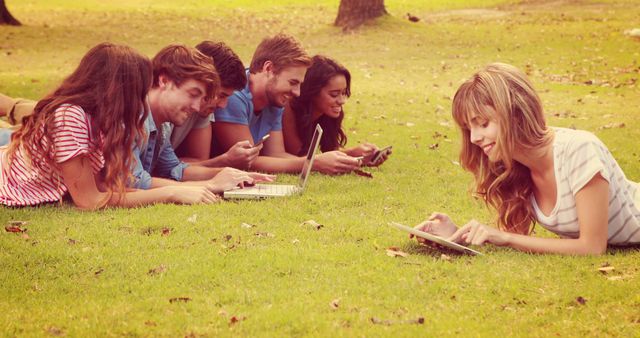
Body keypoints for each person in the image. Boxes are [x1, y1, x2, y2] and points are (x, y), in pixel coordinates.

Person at [413, 63, 640, 255]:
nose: (474, 138)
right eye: (468, 128)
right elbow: (515, 236)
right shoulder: (515, 166)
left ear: (515, 113)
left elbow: (592, 246)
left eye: (483, 124)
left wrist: (503, 238)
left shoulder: (579, 149)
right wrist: (457, 235)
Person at [0, 43, 221, 208]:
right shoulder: (70, 117)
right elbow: (89, 200)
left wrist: (186, 189)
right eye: (140, 90)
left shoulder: (105, 122)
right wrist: (171, 194)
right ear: (120, 89)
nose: (143, 97)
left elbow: (106, 188)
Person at [130, 44, 273, 192]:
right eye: (193, 94)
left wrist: (228, 174)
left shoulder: (163, 125)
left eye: (201, 98)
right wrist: (208, 185)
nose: (197, 107)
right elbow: (133, 180)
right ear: (164, 81)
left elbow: (174, 169)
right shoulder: (132, 114)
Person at [212, 34, 361, 174]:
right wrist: (313, 163)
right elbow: (249, 162)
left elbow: (276, 154)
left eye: (299, 85)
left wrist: (336, 162)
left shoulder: (275, 99)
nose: (297, 93)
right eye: (293, 83)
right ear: (269, 69)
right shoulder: (234, 96)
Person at [283, 55, 390, 166]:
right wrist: (351, 154)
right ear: (312, 92)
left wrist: (360, 156)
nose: (341, 101)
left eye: (343, 93)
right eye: (334, 94)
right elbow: (302, 155)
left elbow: (325, 154)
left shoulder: (326, 114)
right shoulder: (288, 109)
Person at [172, 40, 261, 169]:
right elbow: (159, 168)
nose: (223, 105)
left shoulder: (204, 111)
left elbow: (197, 159)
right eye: (221, 95)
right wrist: (225, 161)